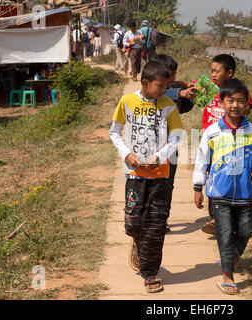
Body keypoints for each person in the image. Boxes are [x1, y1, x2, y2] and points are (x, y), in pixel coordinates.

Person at [193, 79, 252, 295]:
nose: (235, 105)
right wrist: (197, 187)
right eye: (231, 101)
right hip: (219, 194)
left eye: (240, 101)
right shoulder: (212, 132)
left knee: (247, 230)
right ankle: (228, 276)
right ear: (221, 103)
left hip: (245, 195)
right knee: (226, 235)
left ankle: (232, 257)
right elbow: (203, 161)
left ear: (247, 105)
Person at [109, 61, 183, 293]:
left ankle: (150, 272)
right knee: (134, 223)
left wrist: (161, 156)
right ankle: (137, 244)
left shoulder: (169, 104)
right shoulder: (127, 102)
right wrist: (127, 155)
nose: (163, 90)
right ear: (145, 83)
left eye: (166, 85)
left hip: (160, 175)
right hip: (134, 174)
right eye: (160, 86)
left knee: (156, 224)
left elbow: (177, 136)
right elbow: (114, 132)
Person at [198, 54, 252, 235]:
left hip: (231, 140)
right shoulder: (207, 89)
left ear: (229, 73)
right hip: (211, 139)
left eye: (217, 71)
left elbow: (248, 107)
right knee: (212, 176)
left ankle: (225, 217)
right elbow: (192, 95)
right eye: (212, 71)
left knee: (230, 174)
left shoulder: (237, 92)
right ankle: (215, 218)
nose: (213, 74)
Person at [152, 54, 197, 232]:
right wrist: (180, 91)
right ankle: (151, 218)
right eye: (169, 76)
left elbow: (183, 107)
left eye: (174, 75)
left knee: (167, 184)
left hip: (170, 147)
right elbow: (162, 93)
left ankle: (162, 219)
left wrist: (190, 94)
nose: (173, 79)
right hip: (151, 147)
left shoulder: (173, 91)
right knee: (152, 185)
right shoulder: (155, 93)